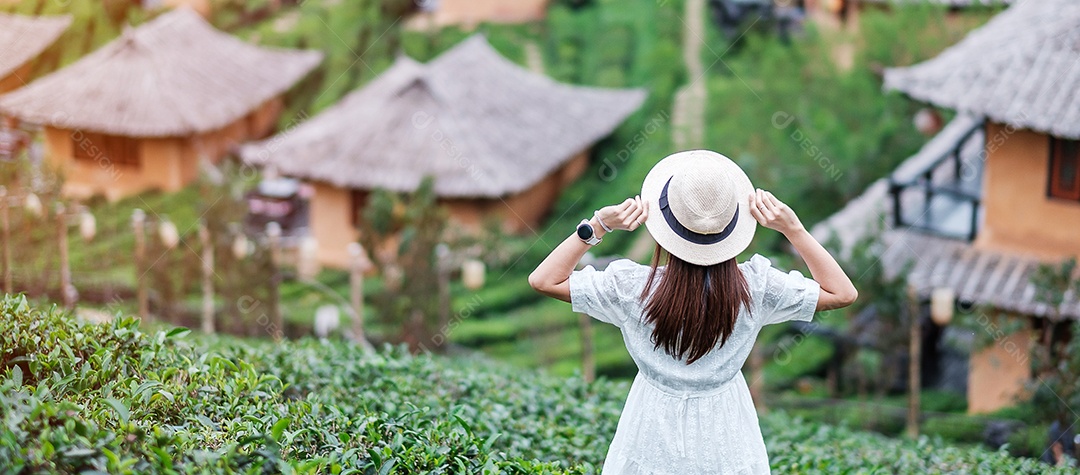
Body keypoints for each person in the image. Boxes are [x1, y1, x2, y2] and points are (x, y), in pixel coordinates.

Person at [529, 150, 857, 474]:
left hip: (649, 429)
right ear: (732, 227)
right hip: (728, 433)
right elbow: (842, 292)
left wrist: (597, 225)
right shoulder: (755, 288)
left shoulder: (631, 288)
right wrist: (794, 229)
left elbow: (544, 280)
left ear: (665, 227)